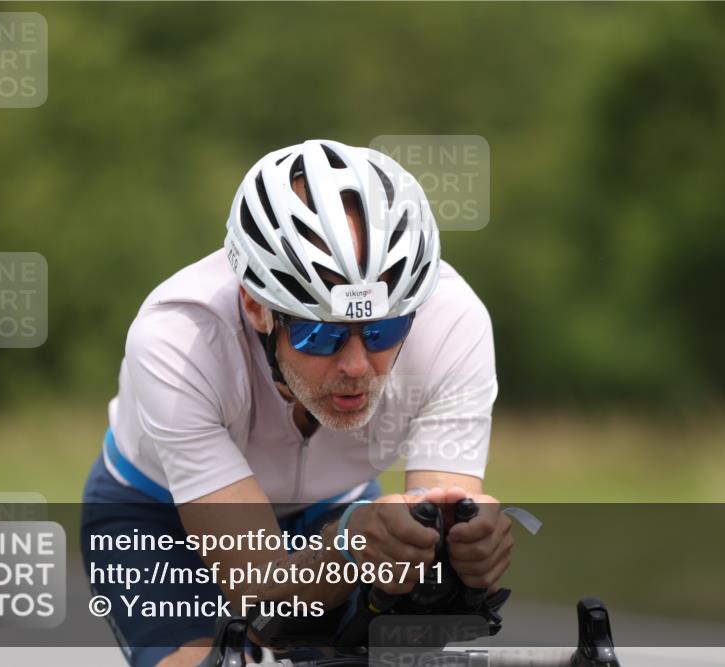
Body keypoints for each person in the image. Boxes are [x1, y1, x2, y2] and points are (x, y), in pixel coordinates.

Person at [80, 139, 514, 667]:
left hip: (333, 508)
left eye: (383, 330)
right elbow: (262, 599)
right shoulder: (178, 338)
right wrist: (351, 546)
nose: (356, 365)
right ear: (256, 307)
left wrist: (462, 555)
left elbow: (433, 564)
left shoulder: (453, 321)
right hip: (154, 514)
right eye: (321, 335)